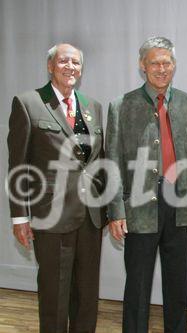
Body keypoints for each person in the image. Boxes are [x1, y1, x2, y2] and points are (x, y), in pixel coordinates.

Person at [106, 36, 187, 333]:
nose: (161, 69)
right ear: (142, 65)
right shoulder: (121, 106)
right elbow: (111, 160)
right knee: (137, 285)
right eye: (154, 63)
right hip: (138, 205)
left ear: (174, 65)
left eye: (167, 62)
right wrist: (115, 210)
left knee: (177, 283)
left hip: (180, 203)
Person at [7, 43, 106, 333]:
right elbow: (17, 166)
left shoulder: (93, 107)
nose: (70, 67)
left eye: (76, 62)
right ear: (50, 66)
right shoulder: (28, 103)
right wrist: (20, 217)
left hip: (91, 217)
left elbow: (99, 161)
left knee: (87, 296)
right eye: (63, 61)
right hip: (50, 216)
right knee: (54, 295)